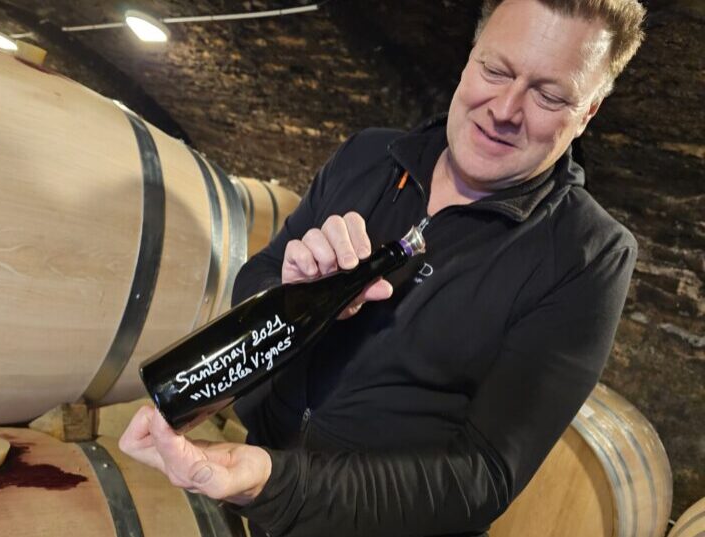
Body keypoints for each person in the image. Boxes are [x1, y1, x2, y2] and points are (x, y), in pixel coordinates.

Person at [119, 0, 646, 535]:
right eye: (496, 69)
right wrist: (287, 293)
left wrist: (275, 483)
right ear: (470, 56)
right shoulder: (369, 155)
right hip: (255, 506)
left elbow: (482, 476)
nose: (505, 109)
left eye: (550, 95)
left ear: (588, 112)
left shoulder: (589, 254)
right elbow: (258, 275)